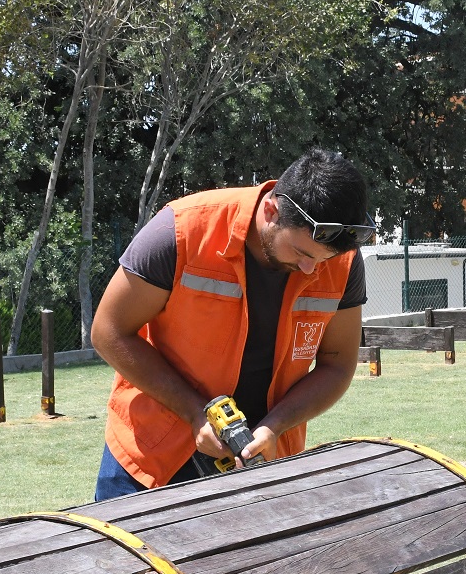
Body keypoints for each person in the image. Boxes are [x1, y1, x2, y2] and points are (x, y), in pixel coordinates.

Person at [91, 149, 375, 501]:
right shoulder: (180, 230)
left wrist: (275, 426)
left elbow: (337, 364)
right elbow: (109, 332)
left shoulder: (343, 260)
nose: (311, 269)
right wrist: (195, 413)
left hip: (260, 463)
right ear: (271, 211)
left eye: (324, 259)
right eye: (302, 253)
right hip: (148, 458)